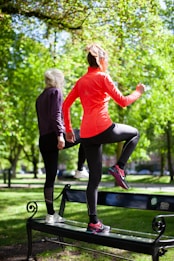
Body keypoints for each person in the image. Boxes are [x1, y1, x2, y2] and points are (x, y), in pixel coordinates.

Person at [62, 43, 145, 234]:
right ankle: (119, 167)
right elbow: (123, 102)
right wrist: (138, 92)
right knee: (134, 133)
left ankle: (93, 223)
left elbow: (65, 106)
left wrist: (68, 129)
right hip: (103, 127)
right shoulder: (103, 77)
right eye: (106, 59)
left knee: (95, 179)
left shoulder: (81, 81)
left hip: (87, 134)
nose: (107, 62)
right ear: (101, 60)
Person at [36, 68, 87, 225]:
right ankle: (79, 170)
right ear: (58, 80)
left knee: (50, 177)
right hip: (54, 135)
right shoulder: (55, 92)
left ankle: (50, 215)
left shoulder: (40, 97)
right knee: (86, 133)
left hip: (43, 140)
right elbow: (55, 115)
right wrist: (60, 135)